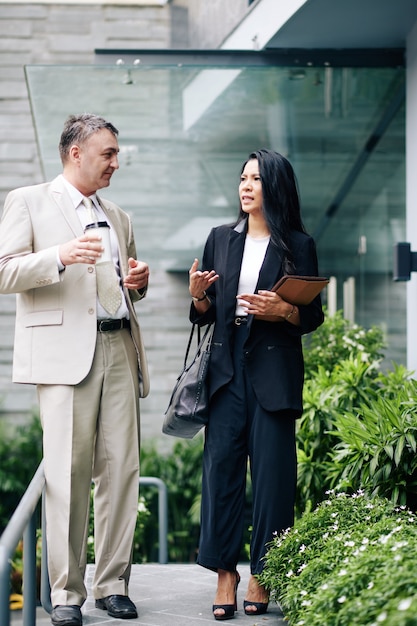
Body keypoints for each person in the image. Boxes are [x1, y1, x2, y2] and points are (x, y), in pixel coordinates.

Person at [0, 114, 150, 626]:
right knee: (66, 474)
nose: (115, 161)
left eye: (116, 152)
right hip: (64, 360)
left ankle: (113, 584)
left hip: (118, 350)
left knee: (122, 472)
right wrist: (60, 256)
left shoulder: (120, 216)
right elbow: (4, 271)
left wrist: (140, 282)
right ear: (75, 153)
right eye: (107, 152)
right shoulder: (29, 201)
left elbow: (123, 285)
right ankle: (66, 594)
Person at [188, 149, 324, 621]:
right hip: (226, 374)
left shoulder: (298, 244)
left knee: (272, 480)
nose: (245, 186)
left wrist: (283, 311)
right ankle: (225, 573)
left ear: (276, 187)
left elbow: (311, 315)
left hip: (274, 373)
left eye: (256, 179)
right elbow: (203, 314)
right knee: (221, 474)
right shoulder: (219, 239)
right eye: (242, 178)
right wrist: (199, 296)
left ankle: (264, 573)